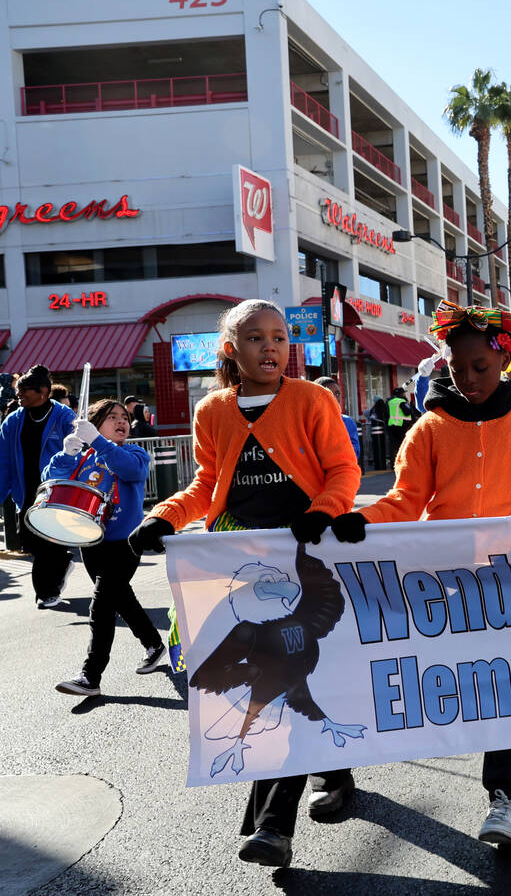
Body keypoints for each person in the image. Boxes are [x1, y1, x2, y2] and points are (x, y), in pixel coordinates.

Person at [328, 299, 511, 847]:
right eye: (457, 368)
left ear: (504, 363)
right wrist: (357, 519)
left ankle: (505, 797)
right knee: (441, 682)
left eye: (481, 368)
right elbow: (403, 501)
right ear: (443, 363)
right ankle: (340, 770)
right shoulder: (428, 429)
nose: (469, 379)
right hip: (444, 586)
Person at [127, 299, 361, 869]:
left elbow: (343, 470)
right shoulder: (213, 412)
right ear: (231, 348)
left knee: (283, 675)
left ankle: (274, 825)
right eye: (256, 338)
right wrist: (164, 517)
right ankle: (336, 771)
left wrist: (325, 509)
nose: (271, 347)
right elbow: (208, 484)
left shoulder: (313, 399)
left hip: (307, 561)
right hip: (239, 567)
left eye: (280, 337)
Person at [50, 400, 164, 698]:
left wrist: (98, 441)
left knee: (101, 605)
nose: (121, 421)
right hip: (90, 540)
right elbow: (50, 478)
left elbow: (132, 471)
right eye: (111, 417)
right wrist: (67, 452)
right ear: (94, 423)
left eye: (124, 417)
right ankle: (154, 644)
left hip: (126, 542)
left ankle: (90, 676)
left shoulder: (133, 452)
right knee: (121, 599)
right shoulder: (83, 455)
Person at [0, 365, 77, 607]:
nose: (18, 395)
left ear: (43, 391)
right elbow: (3, 461)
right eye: (18, 390)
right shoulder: (13, 421)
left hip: (56, 492)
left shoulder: (65, 417)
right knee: (31, 543)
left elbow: (79, 453)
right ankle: (62, 565)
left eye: (24, 391)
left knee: (47, 546)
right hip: (25, 493)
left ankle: (46, 593)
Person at [314, 376, 361, 461]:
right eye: (329, 394)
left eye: (337, 394)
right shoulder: (309, 422)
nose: (335, 398)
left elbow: (354, 452)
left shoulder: (347, 422)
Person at [386, 386, 413, 463]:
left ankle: (393, 462)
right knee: (403, 443)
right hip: (402, 425)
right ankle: (403, 461)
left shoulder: (389, 402)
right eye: (404, 393)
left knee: (393, 445)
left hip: (391, 425)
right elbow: (407, 412)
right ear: (401, 394)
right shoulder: (401, 401)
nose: (405, 394)